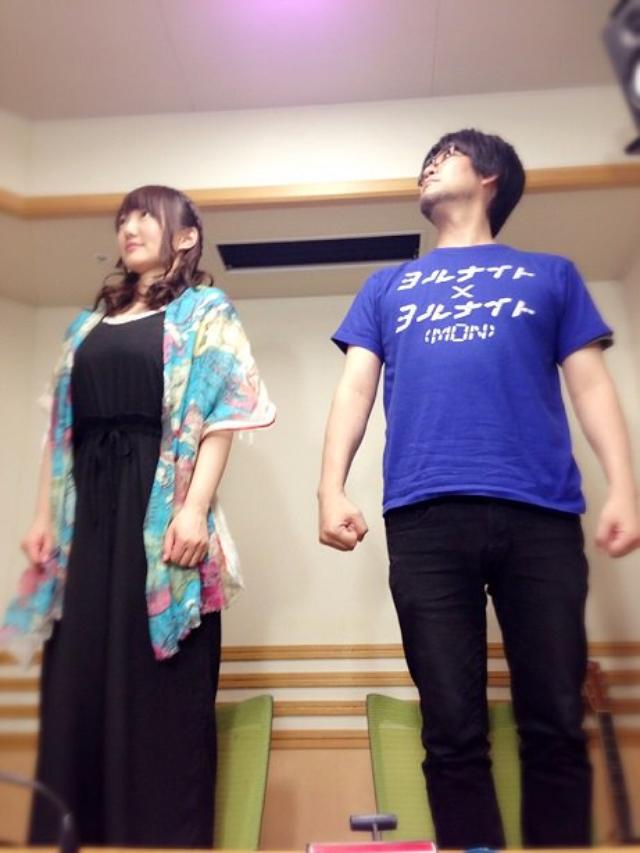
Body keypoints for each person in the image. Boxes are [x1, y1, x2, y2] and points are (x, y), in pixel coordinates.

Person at [318, 129, 640, 848]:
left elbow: (591, 387)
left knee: (555, 721)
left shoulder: (552, 275)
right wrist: (329, 488)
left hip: (541, 517)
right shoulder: (386, 287)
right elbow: (354, 390)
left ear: (491, 177)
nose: (428, 165)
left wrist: (624, 487)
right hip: (423, 519)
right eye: (427, 158)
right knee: (451, 730)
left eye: (447, 155)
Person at [1, 185, 275, 847]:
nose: (129, 226)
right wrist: (42, 518)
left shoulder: (205, 310)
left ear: (186, 236)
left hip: (160, 518)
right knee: (78, 687)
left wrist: (195, 509)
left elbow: (222, 416)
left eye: (146, 215)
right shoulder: (85, 326)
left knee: (160, 693)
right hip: (85, 523)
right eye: (123, 217)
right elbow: (59, 432)